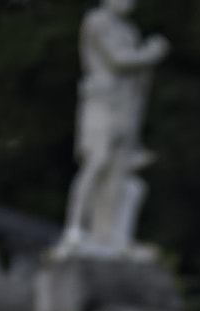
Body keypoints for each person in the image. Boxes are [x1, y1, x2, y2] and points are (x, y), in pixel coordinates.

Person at [60, 0, 169, 254]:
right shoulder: (97, 21)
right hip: (102, 102)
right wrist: (150, 54)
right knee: (98, 161)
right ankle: (75, 228)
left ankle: (109, 235)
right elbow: (118, 60)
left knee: (119, 171)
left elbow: (138, 79)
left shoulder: (129, 30)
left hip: (125, 105)